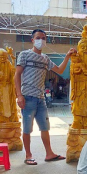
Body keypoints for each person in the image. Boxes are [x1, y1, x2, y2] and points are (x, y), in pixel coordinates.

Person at [14, 29, 76, 165]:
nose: (41, 40)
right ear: (32, 40)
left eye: (43, 38)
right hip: (27, 97)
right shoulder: (24, 55)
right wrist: (19, 95)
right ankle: (28, 155)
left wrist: (67, 57)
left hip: (41, 98)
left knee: (45, 127)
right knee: (27, 128)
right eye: (38, 38)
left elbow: (59, 70)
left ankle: (49, 153)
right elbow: (17, 75)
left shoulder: (45, 59)